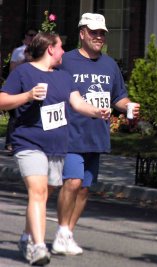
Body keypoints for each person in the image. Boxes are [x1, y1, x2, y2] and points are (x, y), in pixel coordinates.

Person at [0, 32, 110, 266]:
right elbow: (2, 100)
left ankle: (27, 237)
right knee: (38, 192)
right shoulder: (23, 72)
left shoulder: (63, 77)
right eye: (60, 47)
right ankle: (39, 247)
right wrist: (28, 96)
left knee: (45, 192)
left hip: (57, 146)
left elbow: (77, 103)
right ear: (50, 49)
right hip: (29, 142)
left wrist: (96, 112)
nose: (63, 52)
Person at [52, 13, 140, 256]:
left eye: (102, 33)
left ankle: (67, 233)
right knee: (72, 182)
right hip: (70, 133)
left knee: (84, 189)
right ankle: (61, 230)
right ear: (82, 33)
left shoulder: (110, 65)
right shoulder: (66, 61)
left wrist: (129, 106)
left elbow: (118, 97)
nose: (99, 37)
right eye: (94, 32)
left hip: (96, 135)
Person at [4, 28, 38, 154]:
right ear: (25, 36)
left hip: (32, 86)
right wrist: (25, 60)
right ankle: (10, 143)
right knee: (14, 116)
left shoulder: (38, 50)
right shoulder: (18, 51)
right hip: (19, 87)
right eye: (30, 35)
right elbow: (12, 69)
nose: (33, 37)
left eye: (35, 35)